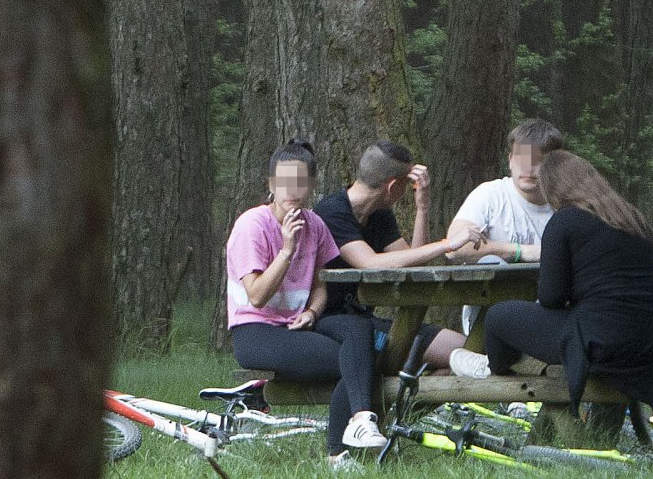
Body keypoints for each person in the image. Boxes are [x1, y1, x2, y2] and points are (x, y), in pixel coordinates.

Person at [448, 150, 653, 464]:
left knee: (499, 315)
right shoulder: (631, 217)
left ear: (555, 189)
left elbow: (550, 297)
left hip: (602, 341)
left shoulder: (566, 220)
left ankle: (494, 367)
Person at [225, 140, 386, 467]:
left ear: (311, 185)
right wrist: (286, 250)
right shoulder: (252, 225)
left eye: (300, 181)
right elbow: (256, 295)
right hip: (255, 330)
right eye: (284, 181)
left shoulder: (315, 224)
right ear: (271, 184)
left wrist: (313, 311)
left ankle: (358, 426)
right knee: (353, 363)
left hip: (296, 326)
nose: (292, 190)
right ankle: (340, 450)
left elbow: (319, 286)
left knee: (359, 337)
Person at [313, 140, 484, 370]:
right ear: (393, 187)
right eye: (408, 186)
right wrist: (447, 244)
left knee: (469, 348)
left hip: (363, 319)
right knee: (461, 356)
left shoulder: (379, 212)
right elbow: (370, 263)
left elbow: (411, 264)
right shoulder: (331, 212)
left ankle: (412, 404)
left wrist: (422, 208)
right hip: (329, 323)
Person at [447, 119, 562, 338]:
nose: (528, 167)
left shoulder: (565, 205)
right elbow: (455, 247)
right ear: (510, 160)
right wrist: (520, 251)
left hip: (549, 317)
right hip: (489, 320)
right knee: (492, 264)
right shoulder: (490, 195)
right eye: (522, 158)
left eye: (537, 160)